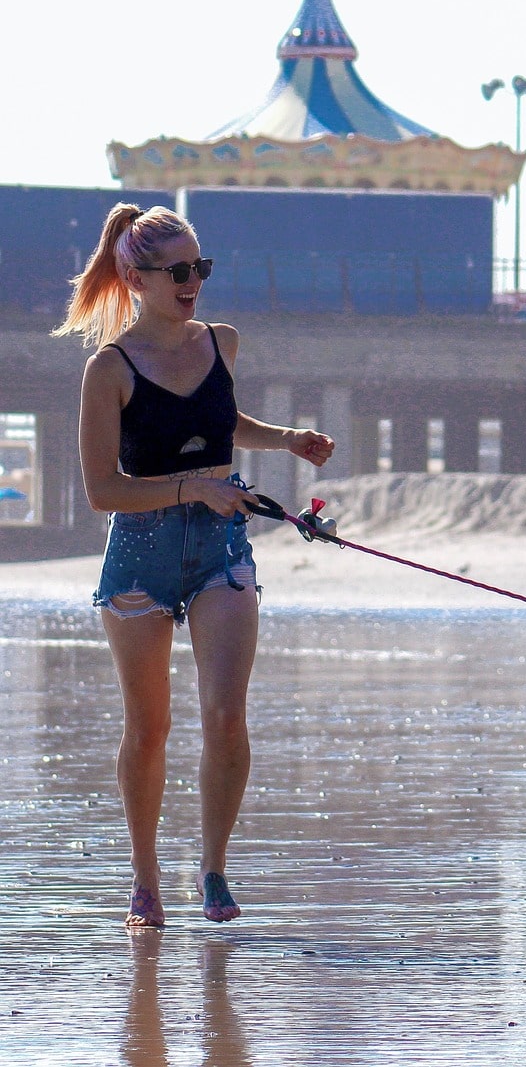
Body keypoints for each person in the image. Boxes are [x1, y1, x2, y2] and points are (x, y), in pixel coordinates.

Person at [53, 203, 335, 927]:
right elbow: (100, 489)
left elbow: (220, 419)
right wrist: (193, 487)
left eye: (200, 268)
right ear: (134, 276)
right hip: (140, 553)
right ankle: (146, 879)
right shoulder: (107, 370)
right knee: (149, 729)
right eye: (178, 271)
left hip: (222, 548)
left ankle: (212, 868)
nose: (193, 283)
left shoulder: (222, 342)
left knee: (225, 714)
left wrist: (286, 439)